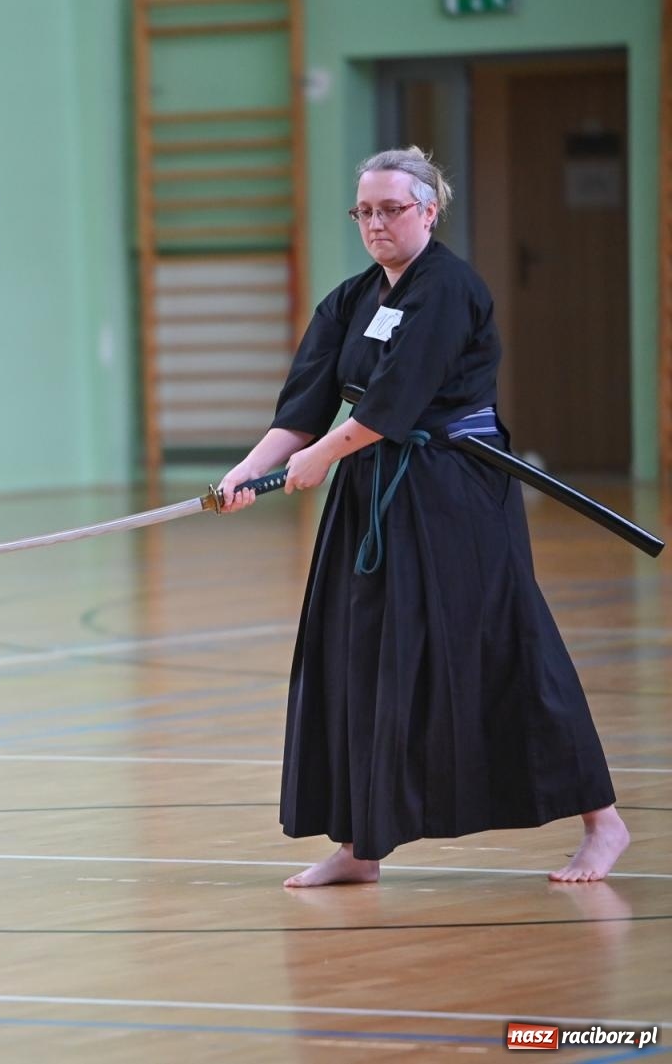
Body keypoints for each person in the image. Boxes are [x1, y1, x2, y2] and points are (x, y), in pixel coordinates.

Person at [217, 147, 628, 888]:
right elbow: (307, 405)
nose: (375, 223)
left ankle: (603, 822)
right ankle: (360, 844)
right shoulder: (351, 299)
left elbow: (391, 405)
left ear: (429, 211)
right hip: (373, 493)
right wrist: (251, 469)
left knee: (507, 647)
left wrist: (324, 459)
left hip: (454, 494)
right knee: (356, 652)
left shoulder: (449, 290)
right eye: (364, 211)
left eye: (391, 209)